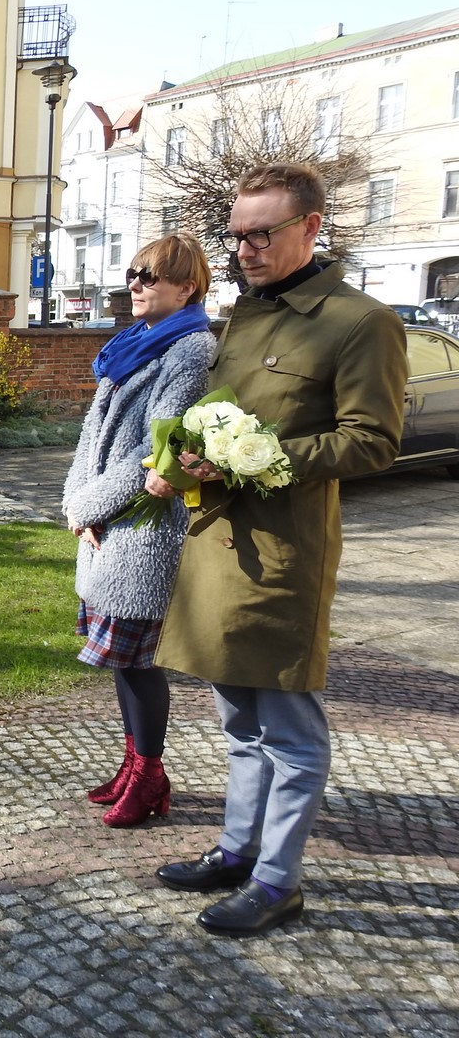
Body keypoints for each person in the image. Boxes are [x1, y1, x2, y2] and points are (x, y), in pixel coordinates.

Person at [149, 163, 407, 936]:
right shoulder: (246, 314)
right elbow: (222, 412)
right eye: (236, 236)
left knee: (290, 731)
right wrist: (191, 453)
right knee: (237, 720)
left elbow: (372, 442)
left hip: (284, 552)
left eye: (262, 234)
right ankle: (237, 849)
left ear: (311, 228)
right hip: (218, 547)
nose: (245, 250)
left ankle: (276, 880)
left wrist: (257, 458)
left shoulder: (360, 323)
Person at [62, 232, 216, 828]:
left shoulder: (189, 350)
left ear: (187, 287)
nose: (137, 285)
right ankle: (134, 766)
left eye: (151, 276)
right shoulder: (134, 344)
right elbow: (91, 438)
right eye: (133, 274)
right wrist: (77, 505)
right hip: (108, 523)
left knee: (140, 661)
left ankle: (149, 776)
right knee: (125, 663)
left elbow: (159, 448)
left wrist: (93, 506)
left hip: (146, 529)